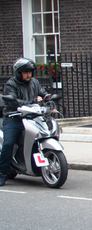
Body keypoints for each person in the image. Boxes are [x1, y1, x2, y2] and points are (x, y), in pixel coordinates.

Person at [0, 58, 49, 186]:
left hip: (32, 117)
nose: (29, 75)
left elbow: (43, 94)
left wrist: (47, 98)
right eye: (25, 72)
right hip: (13, 118)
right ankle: (2, 174)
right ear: (18, 73)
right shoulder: (11, 85)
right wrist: (34, 100)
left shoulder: (34, 82)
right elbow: (14, 101)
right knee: (8, 143)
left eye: (30, 72)